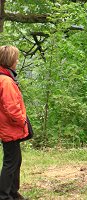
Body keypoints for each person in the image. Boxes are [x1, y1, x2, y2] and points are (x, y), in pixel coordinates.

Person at [0, 45, 28, 200]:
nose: (17, 60)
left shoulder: (4, 77)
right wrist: (22, 121)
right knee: (11, 163)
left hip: (8, 127)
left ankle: (12, 193)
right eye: (16, 58)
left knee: (15, 161)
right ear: (10, 60)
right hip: (10, 128)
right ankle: (4, 195)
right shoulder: (6, 81)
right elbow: (12, 108)